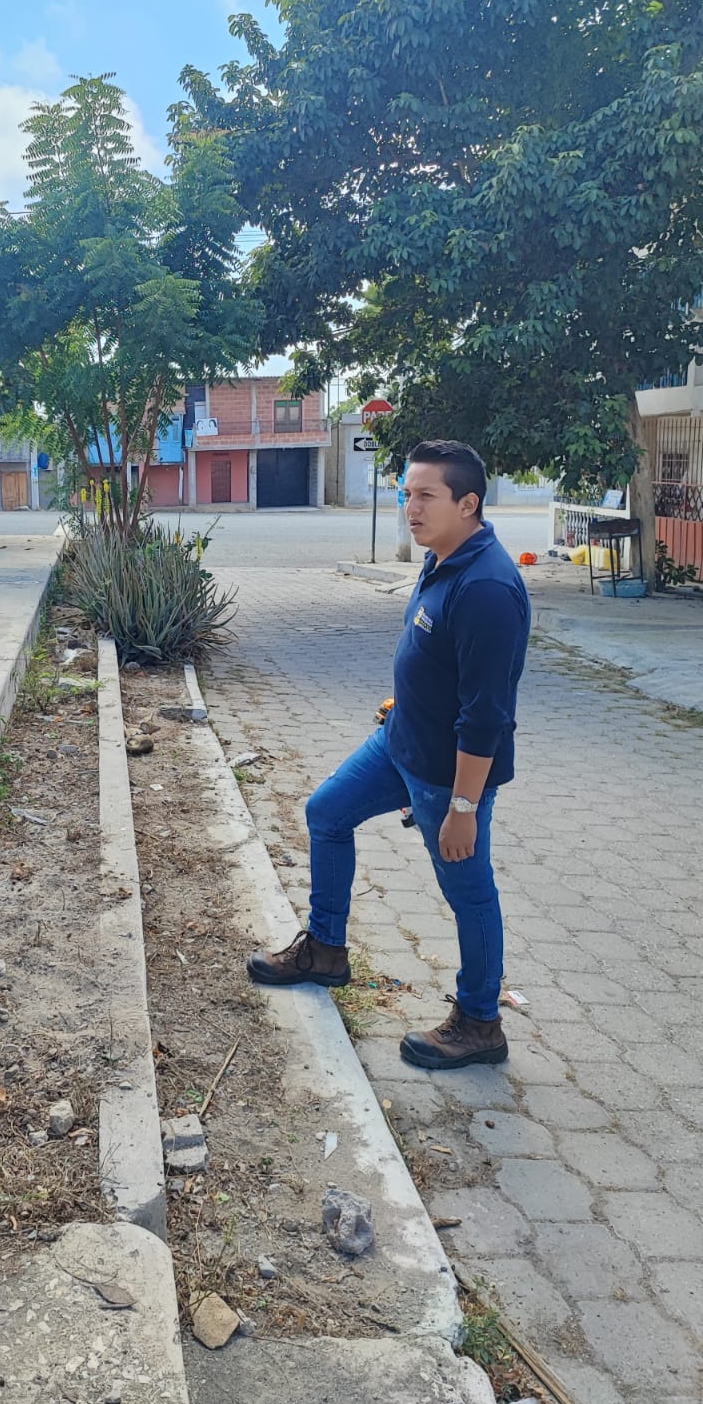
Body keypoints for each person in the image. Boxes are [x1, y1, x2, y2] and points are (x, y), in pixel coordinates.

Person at [247, 440, 530, 1069]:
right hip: (399, 743)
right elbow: (438, 661)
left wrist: (463, 808)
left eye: (426, 495)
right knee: (327, 813)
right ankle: (325, 951)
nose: (411, 506)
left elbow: (486, 715)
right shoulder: (443, 558)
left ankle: (480, 1023)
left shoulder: (487, 588)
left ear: (468, 503)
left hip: (446, 777)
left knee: (469, 893)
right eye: (406, 493)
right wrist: (406, 701)